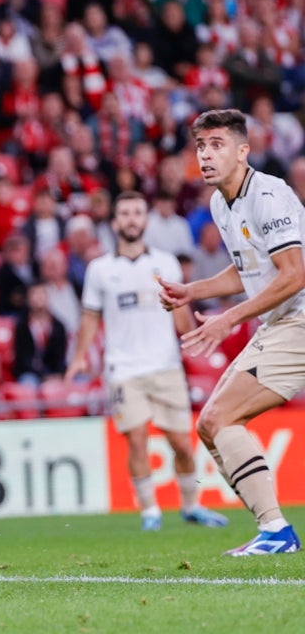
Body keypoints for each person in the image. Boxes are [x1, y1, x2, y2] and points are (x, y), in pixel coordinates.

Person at [158, 109, 305, 556]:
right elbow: (250, 270)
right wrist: (193, 291)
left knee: (222, 418)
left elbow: (295, 273)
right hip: (280, 321)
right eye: (201, 146)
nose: (206, 154)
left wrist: (228, 319)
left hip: (299, 319)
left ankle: (276, 531)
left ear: (243, 151)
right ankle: (272, 529)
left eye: (217, 144)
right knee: (209, 424)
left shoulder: (269, 195)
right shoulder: (221, 203)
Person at [66, 191, 228, 532]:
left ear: (145, 220)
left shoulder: (166, 263)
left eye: (137, 212)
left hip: (165, 364)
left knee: (181, 443)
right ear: (114, 222)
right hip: (123, 369)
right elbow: (90, 318)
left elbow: (180, 315)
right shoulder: (100, 269)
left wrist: (194, 333)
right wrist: (80, 358)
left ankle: (190, 505)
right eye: (124, 213)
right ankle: (150, 512)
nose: (131, 219)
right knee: (136, 438)